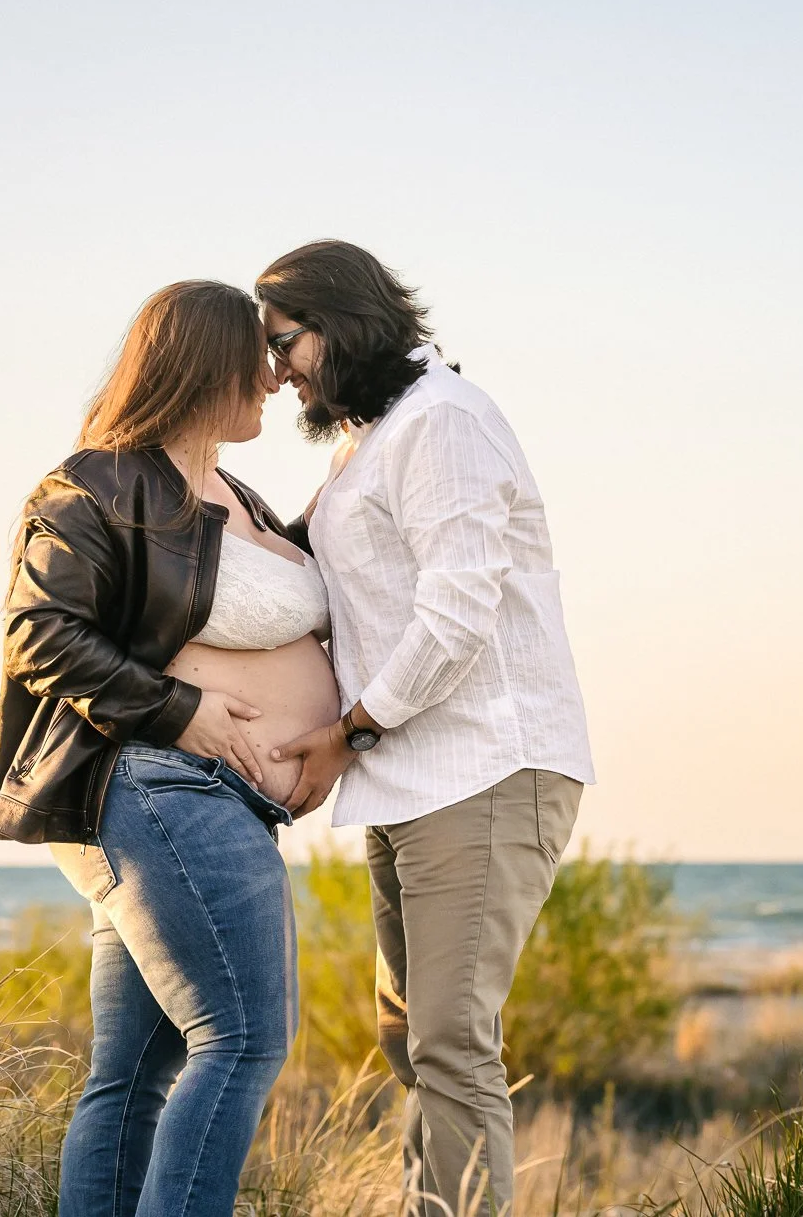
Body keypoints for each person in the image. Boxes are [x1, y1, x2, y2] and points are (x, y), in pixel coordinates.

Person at [0, 279, 338, 1217]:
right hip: (154, 789)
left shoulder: (237, 489)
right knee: (244, 1040)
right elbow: (40, 633)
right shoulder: (95, 482)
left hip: (202, 802)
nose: (271, 378)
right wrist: (184, 712)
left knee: (135, 1071)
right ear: (197, 363)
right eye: (251, 359)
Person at [262, 240, 595, 1216]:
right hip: (408, 774)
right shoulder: (366, 438)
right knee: (408, 1036)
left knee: (450, 1036)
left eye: (285, 344)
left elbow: (457, 610)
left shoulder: (443, 423)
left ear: (343, 323)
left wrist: (347, 732)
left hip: (484, 766)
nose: (277, 371)